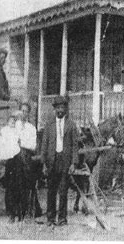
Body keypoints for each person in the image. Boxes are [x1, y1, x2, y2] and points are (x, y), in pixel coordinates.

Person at [40, 95, 79, 226]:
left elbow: (75, 145)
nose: (60, 110)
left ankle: (62, 219)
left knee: (63, 191)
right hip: (52, 160)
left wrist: (73, 163)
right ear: (55, 109)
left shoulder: (71, 125)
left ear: (66, 109)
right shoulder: (49, 124)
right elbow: (44, 144)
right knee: (51, 190)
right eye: (58, 107)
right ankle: (50, 218)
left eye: (63, 107)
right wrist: (44, 163)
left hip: (65, 161)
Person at [17, 101, 43, 218]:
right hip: (14, 154)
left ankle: (27, 207)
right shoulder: (14, 125)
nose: (24, 113)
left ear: (29, 114)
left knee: (27, 176)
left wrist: (21, 143)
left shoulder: (31, 128)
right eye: (22, 111)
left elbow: (32, 145)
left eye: (26, 112)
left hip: (27, 155)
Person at [0, 113, 21, 222]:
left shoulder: (16, 131)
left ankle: (18, 211)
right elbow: (1, 145)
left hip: (16, 159)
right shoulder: (4, 131)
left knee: (17, 186)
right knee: (10, 188)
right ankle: (11, 212)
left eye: (14, 121)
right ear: (7, 122)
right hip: (8, 160)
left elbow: (18, 144)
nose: (12, 123)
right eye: (11, 121)